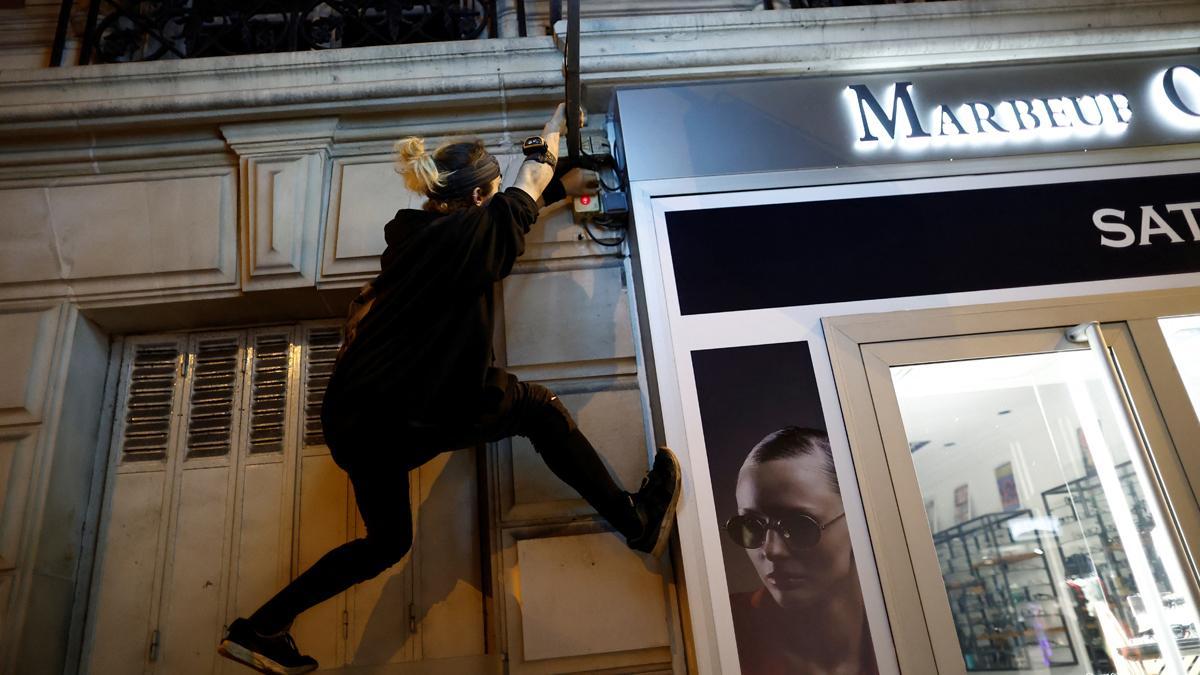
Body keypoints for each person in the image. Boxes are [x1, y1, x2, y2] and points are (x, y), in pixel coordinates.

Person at [217, 103, 681, 675]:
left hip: (355, 420)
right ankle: (637, 522)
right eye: (493, 193)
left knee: (386, 543)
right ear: (482, 198)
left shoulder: (423, 239)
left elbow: (523, 206)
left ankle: (261, 627)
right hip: (414, 408)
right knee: (535, 409)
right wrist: (557, 125)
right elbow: (529, 182)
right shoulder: (464, 237)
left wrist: (555, 183)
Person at [723, 427, 877, 675]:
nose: (772, 550)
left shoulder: (903, 625)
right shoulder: (723, 628)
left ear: (858, 520)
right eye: (751, 526)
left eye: (799, 525)